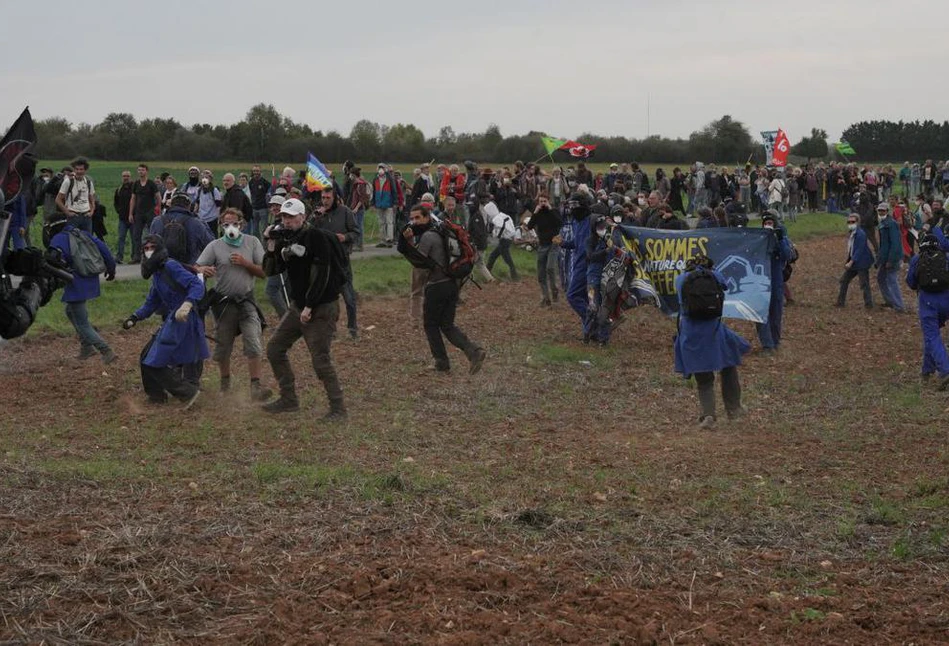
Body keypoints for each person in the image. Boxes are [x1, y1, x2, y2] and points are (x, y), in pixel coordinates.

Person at [261, 198, 348, 419]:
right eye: (283, 217)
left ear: (302, 217)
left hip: (321, 307)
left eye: (291, 217)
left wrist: (309, 305)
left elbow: (323, 273)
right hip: (298, 306)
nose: (287, 221)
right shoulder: (286, 239)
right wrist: (271, 245)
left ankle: (338, 408)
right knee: (274, 349)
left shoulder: (316, 237)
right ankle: (289, 399)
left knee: (320, 359)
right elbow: (271, 270)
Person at [399, 204, 486, 374]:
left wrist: (408, 243)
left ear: (427, 217)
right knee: (447, 325)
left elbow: (420, 263)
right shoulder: (442, 232)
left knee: (430, 324)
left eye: (418, 217)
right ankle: (474, 351)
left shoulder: (428, 236)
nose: (414, 222)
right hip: (452, 284)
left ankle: (441, 362)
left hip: (436, 286)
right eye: (412, 218)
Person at [122, 235, 208, 409]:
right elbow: (152, 301)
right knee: (146, 356)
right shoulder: (158, 273)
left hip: (184, 317)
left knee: (154, 360)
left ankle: (188, 393)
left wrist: (187, 303)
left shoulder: (170, 266)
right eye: (145, 249)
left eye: (152, 247)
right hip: (173, 318)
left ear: (160, 248)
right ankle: (156, 396)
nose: (148, 252)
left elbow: (197, 285)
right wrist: (135, 316)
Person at [195, 208, 272, 401]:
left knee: (253, 342)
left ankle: (255, 386)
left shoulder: (252, 242)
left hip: (246, 301)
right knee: (223, 347)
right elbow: (197, 266)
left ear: (242, 224)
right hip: (223, 304)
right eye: (226, 224)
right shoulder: (214, 246)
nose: (231, 227)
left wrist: (246, 263)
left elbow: (265, 272)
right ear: (221, 226)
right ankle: (225, 385)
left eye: (234, 223)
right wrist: (203, 270)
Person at [674, 254, 750, 429]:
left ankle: (709, 415)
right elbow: (725, 285)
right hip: (714, 331)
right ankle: (734, 408)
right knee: (729, 364)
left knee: (704, 377)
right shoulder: (714, 275)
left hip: (691, 333)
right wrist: (712, 271)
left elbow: (679, 300)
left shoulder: (681, 279)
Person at [44, 214, 117, 363]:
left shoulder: (58, 239)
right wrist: (111, 269)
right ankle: (86, 348)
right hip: (90, 278)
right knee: (70, 311)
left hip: (75, 282)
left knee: (82, 322)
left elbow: (53, 261)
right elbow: (105, 250)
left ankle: (106, 351)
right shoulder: (83, 234)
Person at [312, 186, 360, 340]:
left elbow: (356, 232)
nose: (325, 201)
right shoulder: (319, 214)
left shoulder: (345, 212)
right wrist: (315, 218)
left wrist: (344, 238)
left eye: (328, 198)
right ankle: (331, 330)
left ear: (335, 198)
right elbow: (309, 233)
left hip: (342, 262)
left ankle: (353, 329)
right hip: (326, 262)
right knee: (328, 299)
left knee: (349, 298)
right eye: (323, 198)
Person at [906, 226, 949, 389]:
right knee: (930, 337)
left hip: (928, 302)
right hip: (947, 299)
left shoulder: (917, 259)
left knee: (932, 336)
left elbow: (910, 282)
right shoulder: (945, 257)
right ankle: (927, 370)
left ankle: (945, 370)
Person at [148, 190, 215, 267]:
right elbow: (210, 245)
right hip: (189, 271)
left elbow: (150, 246)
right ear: (189, 206)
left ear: (171, 204)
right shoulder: (196, 223)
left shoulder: (157, 221)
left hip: (162, 270)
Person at [755, 211, 791, 353]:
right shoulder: (758, 239)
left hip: (776, 279)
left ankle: (775, 341)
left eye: (770, 223)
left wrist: (781, 239)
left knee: (775, 312)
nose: (767, 226)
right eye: (765, 223)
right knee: (760, 312)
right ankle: (767, 344)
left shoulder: (781, 237)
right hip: (760, 280)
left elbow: (787, 255)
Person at [525, 194, 562, 306]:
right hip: (542, 244)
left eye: (545, 201)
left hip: (553, 243)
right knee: (541, 273)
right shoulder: (538, 213)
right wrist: (535, 212)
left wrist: (550, 209)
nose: (543, 203)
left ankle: (554, 290)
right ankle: (546, 298)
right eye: (541, 201)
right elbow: (530, 226)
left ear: (548, 201)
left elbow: (559, 223)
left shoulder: (554, 211)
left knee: (550, 268)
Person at [836, 213, 875, 309]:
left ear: (858, 222)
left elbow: (859, 250)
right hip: (855, 261)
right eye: (849, 222)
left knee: (864, 284)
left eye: (853, 222)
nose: (850, 223)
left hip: (862, 262)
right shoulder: (852, 233)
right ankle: (840, 302)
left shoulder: (861, 234)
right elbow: (852, 249)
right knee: (844, 280)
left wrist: (851, 262)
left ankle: (869, 305)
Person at [127, 163, 161, 264]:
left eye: (142, 170)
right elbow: (133, 199)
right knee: (136, 235)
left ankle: (152, 256)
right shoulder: (136, 184)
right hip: (138, 213)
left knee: (152, 235)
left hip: (150, 212)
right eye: (139, 170)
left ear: (146, 171)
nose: (140, 172)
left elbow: (158, 197)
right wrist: (130, 213)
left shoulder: (151, 184)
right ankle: (137, 257)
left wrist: (158, 209)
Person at [876, 201, 906, 313]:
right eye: (879, 210)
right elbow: (883, 244)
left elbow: (895, 243)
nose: (881, 212)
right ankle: (890, 301)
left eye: (883, 210)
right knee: (881, 278)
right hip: (885, 257)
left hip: (891, 258)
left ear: (887, 211)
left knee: (892, 280)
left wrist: (891, 260)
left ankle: (899, 306)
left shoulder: (891, 224)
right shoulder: (883, 223)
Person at [55, 157, 97, 233]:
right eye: (77, 169)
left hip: (86, 217)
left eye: (81, 169)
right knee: (72, 241)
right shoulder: (68, 182)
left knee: (88, 242)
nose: (79, 171)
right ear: (74, 170)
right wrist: (67, 212)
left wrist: (92, 211)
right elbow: (58, 200)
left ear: (85, 170)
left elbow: (92, 198)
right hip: (73, 217)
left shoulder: (88, 182)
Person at [484, 199, 519, 281]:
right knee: (493, 255)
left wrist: (496, 235)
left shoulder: (496, 219)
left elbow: (500, 228)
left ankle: (514, 276)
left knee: (507, 259)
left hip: (504, 240)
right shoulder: (503, 215)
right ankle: (487, 272)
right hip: (507, 239)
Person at [371, 164, 402, 248]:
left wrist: (395, 203)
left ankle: (389, 239)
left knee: (389, 222)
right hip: (379, 203)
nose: (380, 169)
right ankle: (382, 239)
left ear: (385, 169)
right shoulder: (375, 179)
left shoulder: (390, 179)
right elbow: (373, 192)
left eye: (382, 167)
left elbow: (394, 191)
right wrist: (373, 203)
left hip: (388, 203)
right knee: (381, 222)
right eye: (379, 167)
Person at [195, 171, 223, 236]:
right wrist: (195, 212)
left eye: (206, 177)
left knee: (212, 235)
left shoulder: (214, 190)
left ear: (210, 179)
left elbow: (218, 205)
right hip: (201, 218)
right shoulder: (199, 190)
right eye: (203, 177)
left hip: (212, 218)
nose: (204, 179)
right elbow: (197, 202)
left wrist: (219, 217)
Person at [247, 165, 271, 239]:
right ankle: (257, 243)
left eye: (257, 171)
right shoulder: (250, 182)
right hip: (254, 208)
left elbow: (270, 192)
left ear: (260, 172)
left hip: (263, 208)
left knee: (264, 229)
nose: (256, 172)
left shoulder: (265, 182)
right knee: (254, 230)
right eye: (254, 171)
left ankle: (265, 245)